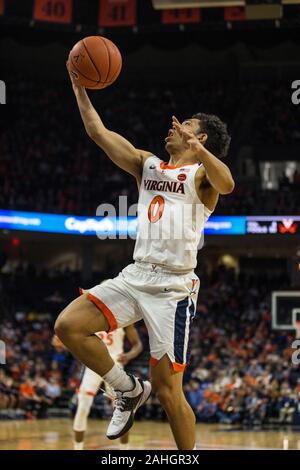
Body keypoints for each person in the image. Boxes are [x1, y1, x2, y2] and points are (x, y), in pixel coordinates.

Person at [55, 63, 234, 450]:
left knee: (170, 392)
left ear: (198, 137)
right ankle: (128, 390)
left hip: (173, 287)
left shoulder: (203, 177)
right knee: (68, 325)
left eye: (183, 125)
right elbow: (98, 133)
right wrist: (79, 87)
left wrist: (202, 151)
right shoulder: (148, 164)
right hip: (136, 275)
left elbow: (228, 183)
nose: (173, 127)